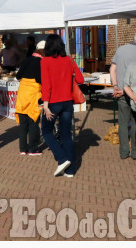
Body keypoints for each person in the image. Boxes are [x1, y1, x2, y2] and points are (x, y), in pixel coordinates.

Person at [40, 34, 83, 177]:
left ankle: (62, 158)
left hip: (53, 102)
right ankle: (70, 171)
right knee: (66, 134)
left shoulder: (45, 61)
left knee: (46, 131)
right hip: (67, 102)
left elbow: (47, 85)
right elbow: (81, 79)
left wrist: (45, 105)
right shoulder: (69, 60)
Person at [110, 30, 136, 161]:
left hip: (120, 91)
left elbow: (112, 69)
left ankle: (123, 152)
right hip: (135, 93)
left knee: (122, 123)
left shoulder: (120, 49)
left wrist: (116, 86)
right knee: (135, 123)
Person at [15, 40, 44, 156]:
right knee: (33, 122)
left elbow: (18, 76)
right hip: (33, 95)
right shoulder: (42, 62)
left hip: (22, 94)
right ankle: (33, 149)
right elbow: (41, 80)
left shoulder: (27, 60)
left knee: (23, 124)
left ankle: (23, 149)